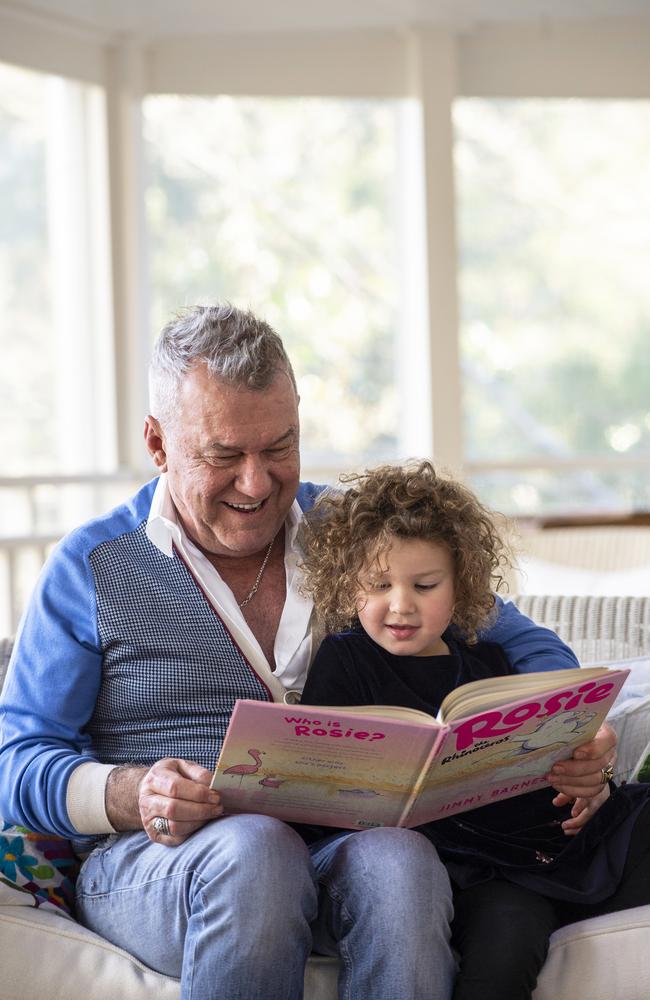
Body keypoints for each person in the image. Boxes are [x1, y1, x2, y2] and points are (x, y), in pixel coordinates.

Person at [0, 303, 617, 1000]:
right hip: (160, 861)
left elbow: (524, 640)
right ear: (158, 443)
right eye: (224, 455)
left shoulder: (354, 535)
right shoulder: (92, 565)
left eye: (279, 447)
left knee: (404, 860)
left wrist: (570, 727)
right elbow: (17, 760)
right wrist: (131, 791)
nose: (257, 483)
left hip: (343, 843)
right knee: (256, 850)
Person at [299, 461, 650, 1000]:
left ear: (461, 587)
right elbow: (323, 777)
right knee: (509, 934)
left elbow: (542, 756)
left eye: (425, 585)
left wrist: (589, 784)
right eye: (378, 584)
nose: (401, 604)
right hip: (465, 870)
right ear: (348, 588)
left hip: (544, 840)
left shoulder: (486, 658)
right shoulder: (344, 660)